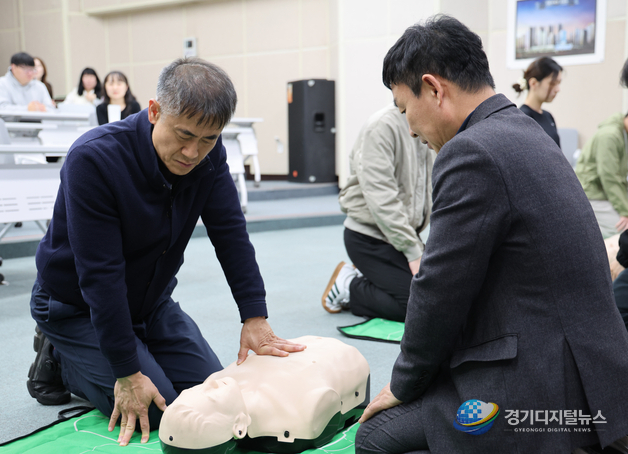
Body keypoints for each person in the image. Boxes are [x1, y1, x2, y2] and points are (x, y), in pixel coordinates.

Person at [356, 15, 628, 454]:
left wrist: (402, 384)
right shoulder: (527, 130)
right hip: (600, 377)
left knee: (375, 437)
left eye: (405, 110)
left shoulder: (471, 151)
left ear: (434, 89)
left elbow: (439, 290)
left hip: (544, 387)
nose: (410, 128)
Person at [27, 57, 305, 447]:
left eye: (208, 139)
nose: (192, 152)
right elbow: (101, 276)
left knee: (215, 397)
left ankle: (119, 352)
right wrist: (126, 372)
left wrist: (254, 316)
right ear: (155, 111)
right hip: (75, 306)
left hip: (150, 302)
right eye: (184, 135)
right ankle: (60, 359)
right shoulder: (94, 159)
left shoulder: (210, 155)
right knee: (161, 411)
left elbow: (230, 233)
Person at [159, 336, 369, 453]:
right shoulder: (295, 415)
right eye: (212, 396)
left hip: (320, 349)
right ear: (239, 427)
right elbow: (324, 402)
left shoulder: (218, 379)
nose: (210, 384)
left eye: (195, 391)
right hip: (339, 361)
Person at [322, 104, 434, 322]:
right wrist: (414, 252)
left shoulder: (428, 124)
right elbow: (381, 198)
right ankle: (349, 285)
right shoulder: (381, 127)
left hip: (403, 236)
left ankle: (373, 276)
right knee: (416, 308)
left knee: (438, 295)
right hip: (369, 238)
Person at [574, 112, 628, 238]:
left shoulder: (623, 133)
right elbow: (609, 177)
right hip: (592, 193)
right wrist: (624, 211)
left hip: (605, 191)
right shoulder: (610, 135)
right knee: (622, 231)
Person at [512, 56, 562, 147]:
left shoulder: (548, 116)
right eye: (552, 83)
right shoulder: (522, 118)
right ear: (534, 83)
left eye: (558, 83)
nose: (558, 89)